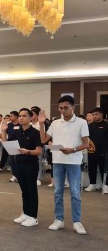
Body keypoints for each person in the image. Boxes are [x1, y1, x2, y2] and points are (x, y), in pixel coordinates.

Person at [39, 95, 89, 235]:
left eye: (66, 108)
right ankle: (59, 220)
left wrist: (72, 149)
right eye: (60, 108)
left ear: (73, 107)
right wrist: (42, 123)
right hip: (58, 160)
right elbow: (43, 139)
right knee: (57, 192)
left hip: (73, 161)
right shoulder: (55, 123)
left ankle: (77, 221)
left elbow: (86, 143)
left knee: (75, 192)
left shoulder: (81, 122)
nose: (63, 110)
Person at [2, 108, 43, 227]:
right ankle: (26, 213)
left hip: (30, 165)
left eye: (24, 116)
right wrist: (4, 131)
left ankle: (33, 217)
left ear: (31, 118)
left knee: (31, 190)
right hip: (18, 164)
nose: (21, 118)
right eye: (20, 116)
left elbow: (39, 151)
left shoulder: (35, 133)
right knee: (24, 190)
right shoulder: (16, 132)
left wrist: (28, 152)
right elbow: (6, 145)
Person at [85, 107, 108, 193]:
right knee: (91, 168)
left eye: (96, 114)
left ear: (101, 114)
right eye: (93, 115)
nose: (94, 116)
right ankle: (92, 184)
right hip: (91, 151)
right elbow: (86, 138)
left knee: (104, 169)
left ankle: (105, 185)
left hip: (104, 151)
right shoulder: (89, 126)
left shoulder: (106, 125)